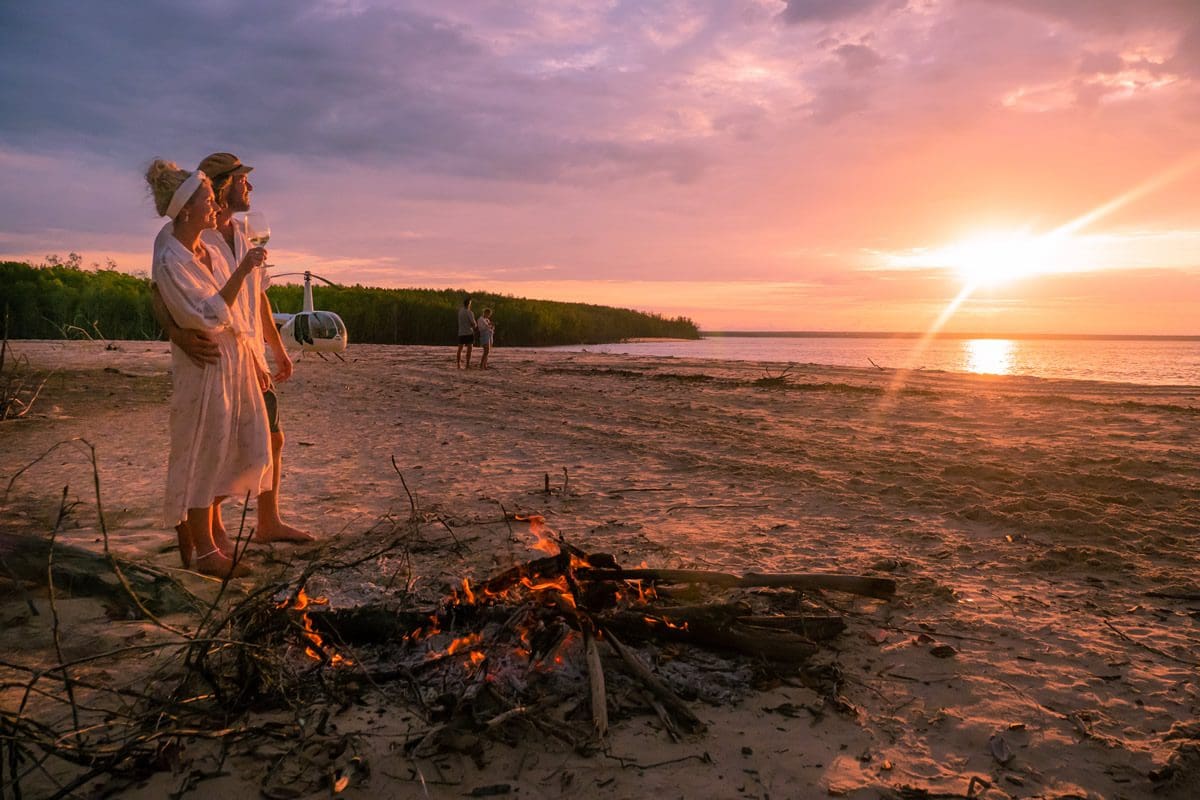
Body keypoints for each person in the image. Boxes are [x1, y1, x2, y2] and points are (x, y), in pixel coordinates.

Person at [151, 152, 314, 548]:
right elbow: (157, 290)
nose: (250, 187)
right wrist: (177, 333)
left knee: (268, 437)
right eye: (243, 180)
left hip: (248, 352)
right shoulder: (193, 233)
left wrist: (276, 349)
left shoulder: (240, 232)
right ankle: (209, 529)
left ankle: (265, 521)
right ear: (224, 184)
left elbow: (257, 297)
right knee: (222, 443)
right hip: (217, 352)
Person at [146, 159, 271, 578]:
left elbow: (245, 309)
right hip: (205, 363)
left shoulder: (209, 242)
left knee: (221, 449)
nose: (214, 204)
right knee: (199, 451)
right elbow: (211, 312)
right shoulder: (171, 252)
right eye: (208, 198)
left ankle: (212, 540)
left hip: (231, 359)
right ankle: (200, 549)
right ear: (186, 208)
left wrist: (258, 355)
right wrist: (177, 332)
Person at [456, 296, 477, 369]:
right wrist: (474, 326)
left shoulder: (460, 311)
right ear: (469, 304)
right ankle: (467, 364)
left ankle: (458, 364)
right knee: (469, 349)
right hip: (468, 332)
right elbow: (474, 324)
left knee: (460, 349)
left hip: (461, 332)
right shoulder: (469, 312)